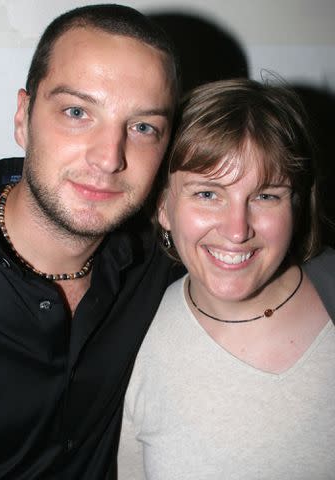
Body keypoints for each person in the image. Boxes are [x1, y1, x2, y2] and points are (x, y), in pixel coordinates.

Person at [0, 4, 184, 479]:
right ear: (24, 117)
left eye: (142, 127)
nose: (109, 157)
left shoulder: (164, 257)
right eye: (77, 112)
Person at [118, 79, 335, 479]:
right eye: (207, 193)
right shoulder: (130, 337)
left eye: (266, 195)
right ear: (163, 207)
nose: (237, 230)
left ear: (297, 207)